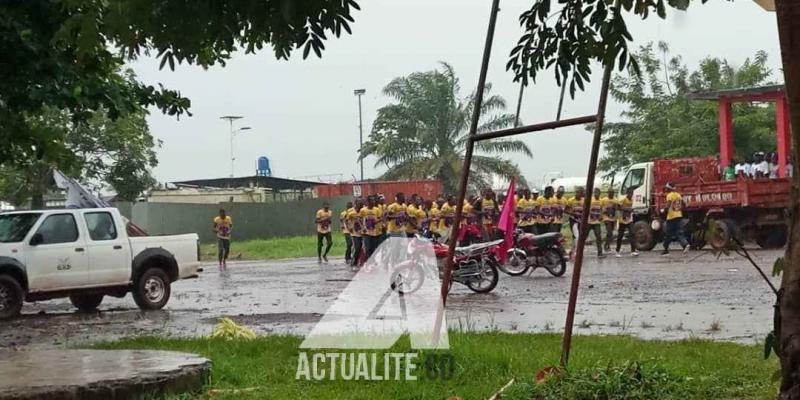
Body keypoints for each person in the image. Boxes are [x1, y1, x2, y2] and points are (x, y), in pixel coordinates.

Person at [662, 182, 689, 256]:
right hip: (679, 216)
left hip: (671, 217)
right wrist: (680, 209)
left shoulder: (669, 196)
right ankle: (685, 244)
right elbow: (685, 204)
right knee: (679, 232)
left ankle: (665, 250)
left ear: (669, 188)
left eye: (667, 188)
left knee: (668, 234)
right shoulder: (678, 195)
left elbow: (668, 206)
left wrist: (663, 211)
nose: (666, 189)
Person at [615, 188, 639, 257]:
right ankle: (617, 251)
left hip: (629, 220)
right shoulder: (623, 200)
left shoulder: (631, 200)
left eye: (632, 193)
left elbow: (630, 209)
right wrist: (625, 209)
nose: (631, 195)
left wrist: (632, 211)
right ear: (627, 193)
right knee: (620, 236)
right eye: (630, 193)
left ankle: (633, 251)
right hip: (622, 220)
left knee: (632, 233)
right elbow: (617, 207)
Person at [566, 187, 585, 260]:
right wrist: (573, 213)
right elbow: (566, 210)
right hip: (573, 220)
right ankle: (577, 253)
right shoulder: (571, 200)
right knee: (577, 236)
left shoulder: (584, 200)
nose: (578, 194)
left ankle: (572, 251)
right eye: (577, 192)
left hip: (581, 221)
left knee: (577, 237)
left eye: (580, 193)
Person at [588, 188, 605, 257]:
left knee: (599, 237)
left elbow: (601, 210)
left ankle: (600, 253)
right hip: (589, 222)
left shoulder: (601, 201)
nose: (596, 194)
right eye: (595, 193)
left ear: (599, 194)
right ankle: (579, 251)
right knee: (583, 237)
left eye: (597, 193)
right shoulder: (590, 200)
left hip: (597, 222)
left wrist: (601, 216)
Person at [348, 199, 365, 268]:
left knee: (361, 247)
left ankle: (357, 261)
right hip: (354, 233)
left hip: (362, 232)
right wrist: (349, 228)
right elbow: (346, 221)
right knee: (357, 247)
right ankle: (354, 262)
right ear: (356, 206)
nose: (360, 208)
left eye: (361, 206)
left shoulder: (363, 212)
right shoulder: (351, 213)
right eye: (359, 206)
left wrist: (364, 228)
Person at [602, 188, 617, 252]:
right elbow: (600, 206)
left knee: (610, 234)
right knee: (609, 231)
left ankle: (607, 245)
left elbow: (617, 208)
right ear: (607, 193)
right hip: (606, 218)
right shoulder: (604, 200)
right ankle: (606, 246)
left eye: (612, 192)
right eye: (610, 192)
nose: (611, 194)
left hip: (613, 218)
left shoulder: (615, 200)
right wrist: (603, 211)